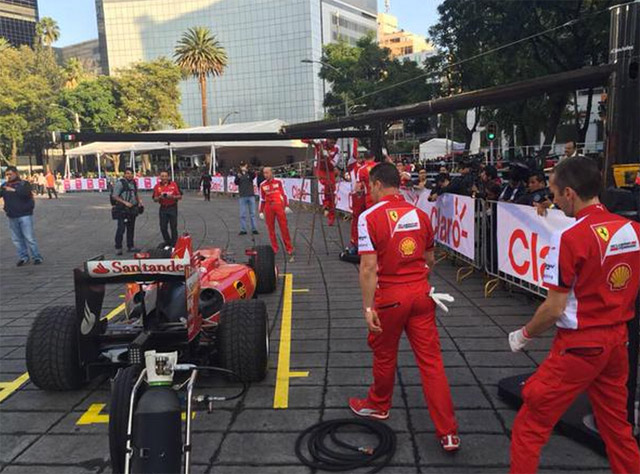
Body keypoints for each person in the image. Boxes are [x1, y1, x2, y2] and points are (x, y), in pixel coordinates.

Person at [508, 157, 640, 474]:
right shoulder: (633, 229)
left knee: (529, 426)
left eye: (553, 193)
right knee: (618, 430)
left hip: (579, 346)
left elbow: (554, 307)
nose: (552, 200)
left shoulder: (568, 237)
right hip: (618, 341)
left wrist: (524, 334)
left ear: (569, 193)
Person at [351, 162, 460, 452]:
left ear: (376, 184)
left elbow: (368, 268)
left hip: (391, 297)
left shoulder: (368, 216)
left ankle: (378, 405)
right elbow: (431, 258)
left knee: (385, 355)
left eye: (369, 187)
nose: (368, 192)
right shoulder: (421, 214)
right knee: (432, 363)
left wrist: (367, 308)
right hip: (422, 294)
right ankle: (448, 432)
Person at [0, 166, 43, 266]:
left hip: (24, 215)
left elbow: (26, 194)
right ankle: (23, 257)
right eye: (7, 174)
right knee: (17, 239)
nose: (9, 176)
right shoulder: (4, 185)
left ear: (16, 173)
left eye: (10, 174)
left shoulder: (24, 184)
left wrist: (14, 190)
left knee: (29, 237)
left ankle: (36, 256)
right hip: (12, 215)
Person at [259, 167, 294, 260]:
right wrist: (260, 211)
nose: (265, 175)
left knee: (284, 228)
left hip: (278, 206)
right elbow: (261, 199)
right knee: (270, 229)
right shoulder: (262, 184)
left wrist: (286, 205)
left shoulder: (279, 181)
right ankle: (275, 248)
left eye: (267, 173)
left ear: (271, 173)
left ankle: (289, 248)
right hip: (268, 207)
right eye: (264, 173)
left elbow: (285, 194)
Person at [305, 138, 341, 226]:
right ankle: (325, 205)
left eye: (334, 142)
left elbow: (333, 163)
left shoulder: (337, 148)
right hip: (320, 169)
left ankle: (331, 215)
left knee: (332, 190)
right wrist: (312, 140)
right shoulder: (320, 142)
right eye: (331, 141)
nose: (332, 143)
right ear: (327, 139)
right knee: (325, 184)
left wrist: (326, 156)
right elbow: (303, 139)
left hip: (330, 169)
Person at [112, 168, 142, 255]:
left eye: (131, 174)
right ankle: (118, 247)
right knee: (121, 229)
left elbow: (136, 193)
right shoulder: (120, 183)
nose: (129, 175)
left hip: (132, 209)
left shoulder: (133, 183)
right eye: (128, 173)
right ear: (124, 174)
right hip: (122, 209)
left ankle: (130, 246)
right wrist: (125, 202)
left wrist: (139, 201)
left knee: (131, 228)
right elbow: (115, 196)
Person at [152, 170, 182, 247]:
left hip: (172, 207)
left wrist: (172, 196)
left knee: (173, 226)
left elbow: (180, 196)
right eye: (162, 176)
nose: (164, 178)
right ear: (160, 177)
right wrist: (160, 197)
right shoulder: (157, 186)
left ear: (168, 177)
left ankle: (174, 244)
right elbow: (154, 199)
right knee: (163, 227)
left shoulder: (174, 184)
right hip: (163, 208)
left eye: (166, 176)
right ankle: (168, 241)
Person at [235, 162, 258, 235]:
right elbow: (236, 183)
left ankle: (254, 228)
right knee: (242, 214)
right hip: (242, 196)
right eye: (241, 166)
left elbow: (254, 175)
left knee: (253, 213)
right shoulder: (238, 174)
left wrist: (248, 170)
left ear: (246, 166)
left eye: (244, 165)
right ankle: (243, 229)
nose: (243, 167)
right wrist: (238, 177)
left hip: (251, 195)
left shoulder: (250, 173)